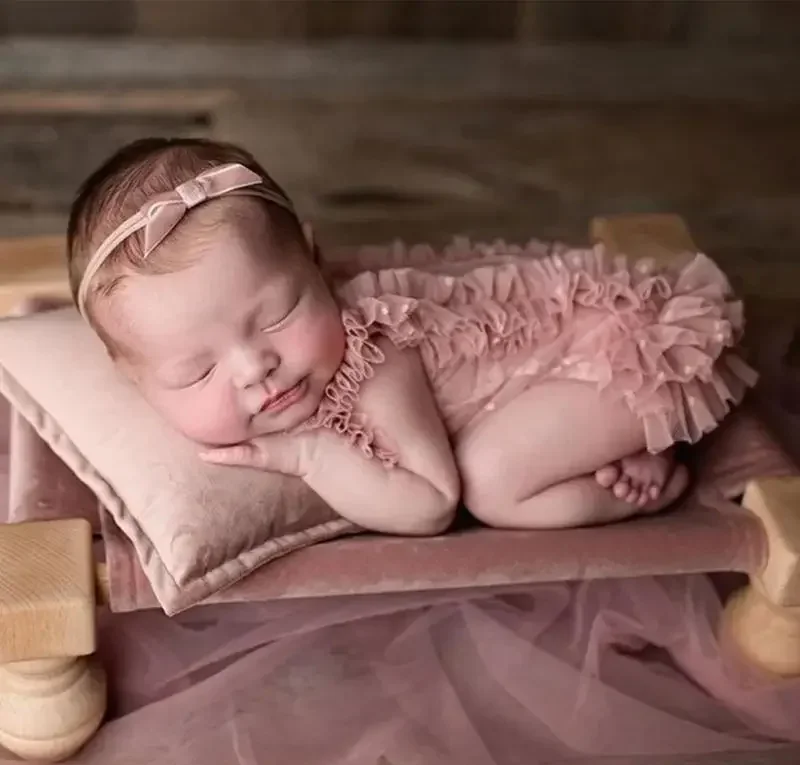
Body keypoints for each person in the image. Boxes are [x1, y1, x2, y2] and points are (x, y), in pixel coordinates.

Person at [67, 137, 757, 534]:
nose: (257, 368)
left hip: (628, 354)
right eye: (195, 372)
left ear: (314, 260)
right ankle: (603, 441)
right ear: (135, 379)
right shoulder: (243, 353)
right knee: (508, 446)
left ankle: (655, 479)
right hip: (556, 373)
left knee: (491, 482)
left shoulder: (373, 354)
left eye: (277, 316)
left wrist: (312, 459)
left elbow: (429, 503)